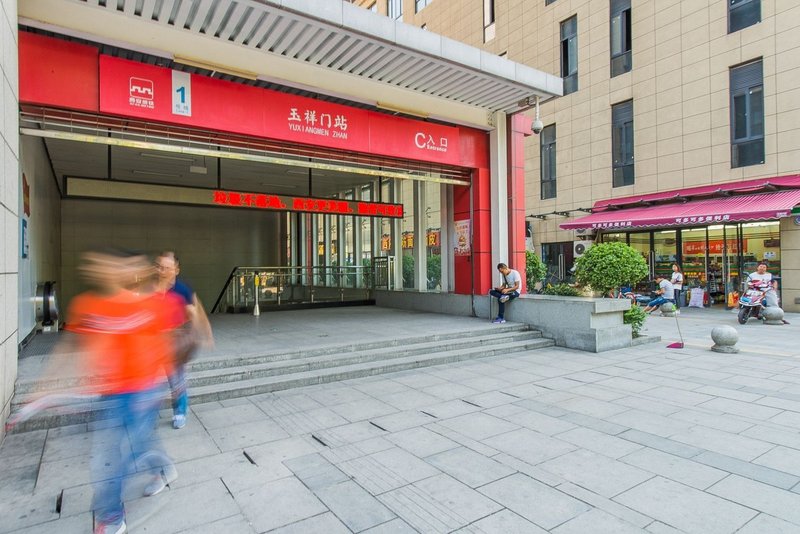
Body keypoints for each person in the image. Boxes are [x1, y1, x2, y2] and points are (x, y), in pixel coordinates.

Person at [63, 249, 180, 534]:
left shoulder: (149, 304)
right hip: (113, 391)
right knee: (136, 446)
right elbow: (75, 345)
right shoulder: (89, 304)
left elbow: (162, 344)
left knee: (111, 458)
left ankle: (112, 516)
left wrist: (172, 383)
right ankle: (163, 469)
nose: (105, 269)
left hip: (142, 392)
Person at [155, 251, 213, 429]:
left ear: (176, 270)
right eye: (160, 267)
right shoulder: (153, 288)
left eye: (167, 268)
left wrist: (202, 333)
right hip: (155, 342)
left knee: (176, 380)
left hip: (175, 343)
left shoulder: (182, 289)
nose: (162, 271)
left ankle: (179, 412)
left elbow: (195, 312)